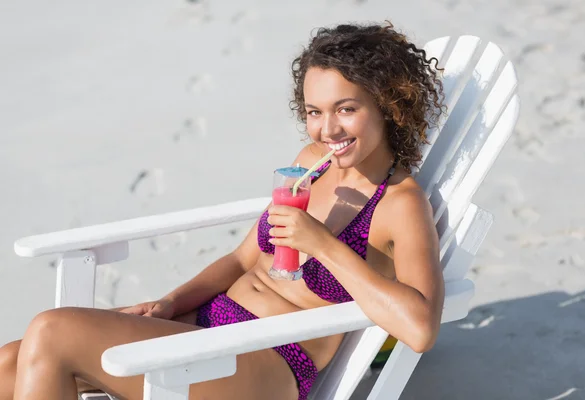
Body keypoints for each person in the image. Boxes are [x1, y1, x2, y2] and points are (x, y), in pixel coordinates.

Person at [0, 21, 445, 400]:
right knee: (9, 361)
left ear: (389, 105)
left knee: (52, 331)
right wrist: (171, 303)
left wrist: (323, 246)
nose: (327, 128)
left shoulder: (399, 203)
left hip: (268, 359)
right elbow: (242, 260)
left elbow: (421, 328)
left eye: (346, 109)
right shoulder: (310, 163)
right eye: (314, 111)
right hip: (211, 324)